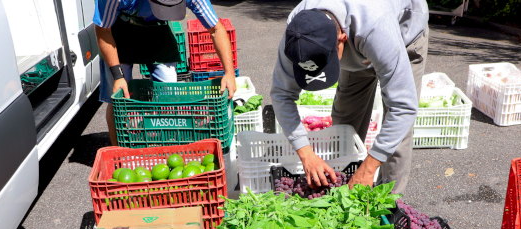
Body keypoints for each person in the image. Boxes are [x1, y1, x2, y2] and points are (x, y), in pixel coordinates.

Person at [271, 0, 429, 194]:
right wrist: (305, 153)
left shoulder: (375, 27)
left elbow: (403, 107)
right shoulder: (297, 35)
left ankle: (388, 207)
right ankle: (343, 192)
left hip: (403, 33)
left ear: (341, 39)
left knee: (396, 140)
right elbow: (281, 93)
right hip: (358, 39)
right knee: (345, 124)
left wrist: (369, 168)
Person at [94, 0, 236, 146]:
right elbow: (102, 29)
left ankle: (163, 146)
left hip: (157, 29)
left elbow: (216, 29)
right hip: (117, 31)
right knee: (118, 98)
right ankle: (119, 155)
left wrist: (229, 73)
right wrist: (118, 76)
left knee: (168, 95)